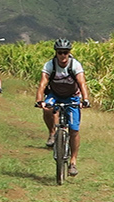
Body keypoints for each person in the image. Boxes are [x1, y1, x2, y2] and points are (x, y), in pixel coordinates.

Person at [35, 38, 90, 176]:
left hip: (72, 97)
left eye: (65, 52)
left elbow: (82, 83)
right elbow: (42, 83)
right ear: (56, 53)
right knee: (47, 108)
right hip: (55, 95)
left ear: (69, 53)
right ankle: (52, 133)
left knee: (74, 130)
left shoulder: (75, 65)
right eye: (60, 52)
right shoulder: (50, 65)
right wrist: (39, 100)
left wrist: (85, 100)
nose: (63, 55)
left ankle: (73, 162)